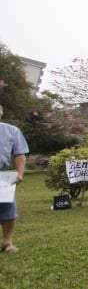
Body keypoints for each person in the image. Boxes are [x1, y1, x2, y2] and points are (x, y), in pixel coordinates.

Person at [0, 105, 28, 253]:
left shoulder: (11, 131)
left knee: (7, 208)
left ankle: (7, 242)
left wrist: (20, 173)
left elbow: (19, 154)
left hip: (2, 176)